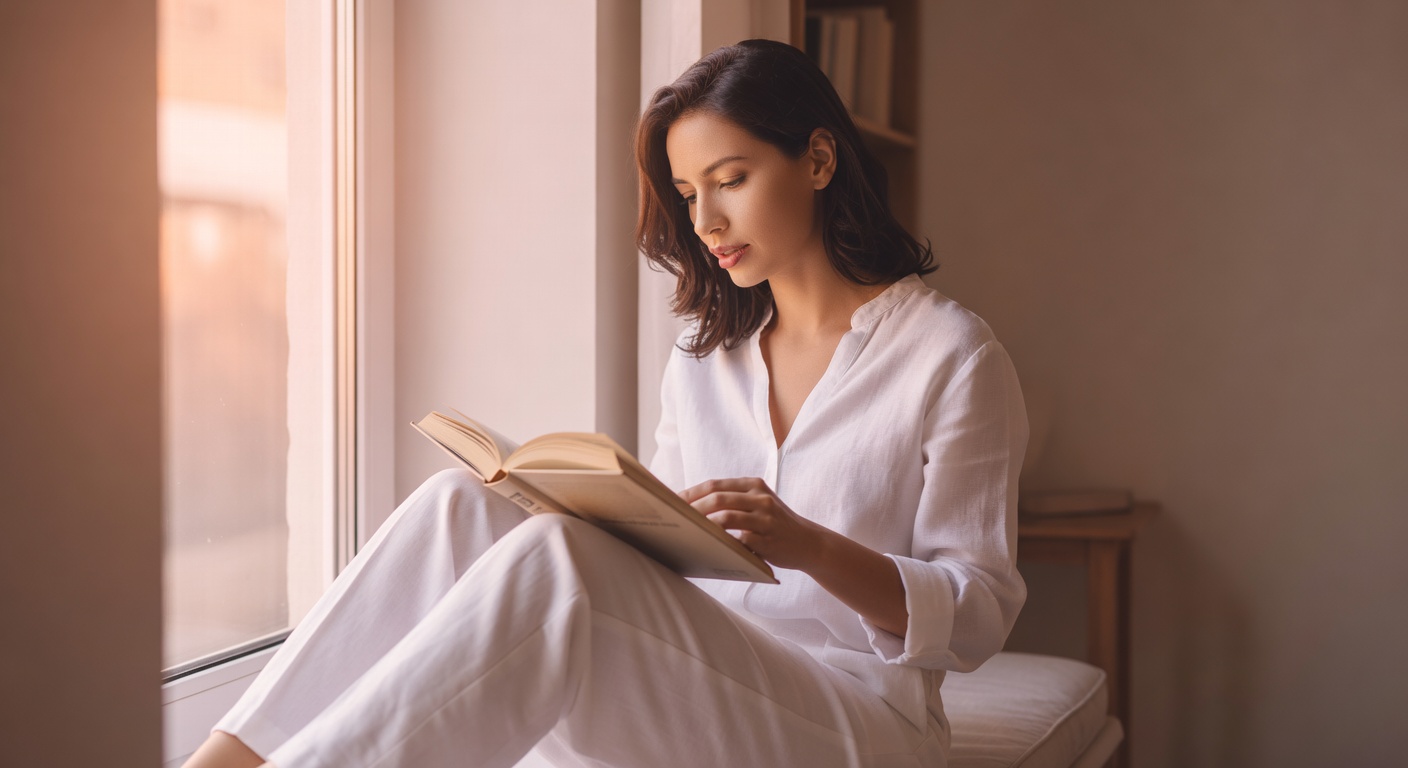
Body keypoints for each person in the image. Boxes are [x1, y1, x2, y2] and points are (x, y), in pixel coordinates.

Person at [183, 39, 1028, 768]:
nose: (707, 220)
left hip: (860, 724)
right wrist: (599, 513)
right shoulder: (708, 361)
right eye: (691, 194)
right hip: (705, 670)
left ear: (816, 159)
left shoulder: (950, 355)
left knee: (559, 563)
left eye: (730, 179)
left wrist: (806, 544)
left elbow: (980, 613)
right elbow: (672, 553)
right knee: (456, 509)